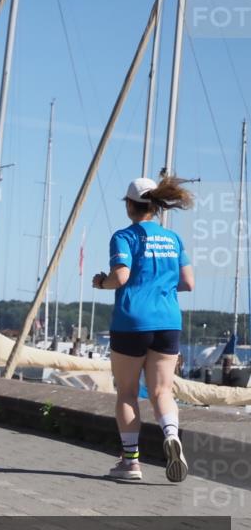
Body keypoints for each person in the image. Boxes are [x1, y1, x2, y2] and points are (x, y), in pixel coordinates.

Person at [92, 176, 194, 483]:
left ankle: (131, 463)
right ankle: (171, 436)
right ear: (155, 205)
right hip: (168, 322)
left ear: (129, 206)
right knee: (162, 391)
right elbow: (188, 283)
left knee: (127, 392)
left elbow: (120, 277)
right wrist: (159, 285)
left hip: (132, 321)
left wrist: (101, 283)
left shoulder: (124, 237)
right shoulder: (173, 239)